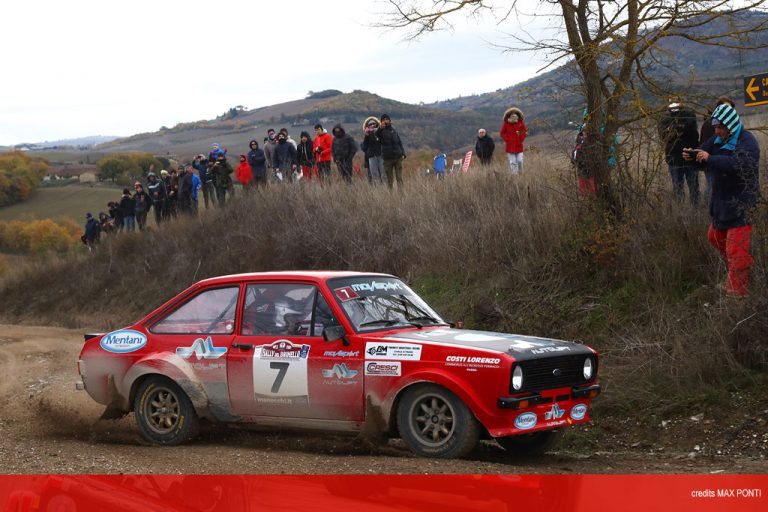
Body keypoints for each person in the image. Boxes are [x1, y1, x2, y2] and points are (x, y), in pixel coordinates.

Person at [684, 103, 759, 298]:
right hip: (721, 205)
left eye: (719, 127)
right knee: (715, 238)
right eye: (715, 127)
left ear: (730, 125)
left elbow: (739, 164)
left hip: (742, 205)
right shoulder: (717, 140)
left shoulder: (747, 141)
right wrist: (692, 156)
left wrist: (710, 159)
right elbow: (704, 156)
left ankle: (737, 293)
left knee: (735, 249)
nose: (716, 131)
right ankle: (741, 267)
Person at [658, 96, 700, 205]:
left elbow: (693, 132)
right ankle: (680, 210)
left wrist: (674, 129)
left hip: (689, 156)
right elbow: (663, 136)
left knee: (694, 187)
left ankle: (696, 209)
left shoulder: (689, 114)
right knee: (677, 188)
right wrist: (679, 129)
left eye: (676, 103)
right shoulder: (665, 117)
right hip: (674, 158)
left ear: (681, 103)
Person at [700, 96, 735, 203]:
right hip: (711, 164)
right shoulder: (708, 125)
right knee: (711, 187)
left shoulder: (733, 128)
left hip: (722, 163)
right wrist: (707, 159)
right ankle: (707, 205)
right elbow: (705, 145)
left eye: (730, 108)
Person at [377, 114, 406, 189]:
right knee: (390, 180)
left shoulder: (394, 130)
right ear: (381, 122)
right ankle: (390, 194)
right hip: (387, 159)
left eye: (387, 119)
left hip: (398, 157)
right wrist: (380, 128)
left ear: (390, 120)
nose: (385, 121)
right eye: (383, 120)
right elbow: (376, 135)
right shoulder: (380, 131)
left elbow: (399, 142)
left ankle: (401, 194)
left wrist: (403, 153)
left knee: (399, 178)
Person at [500, 107, 527, 173]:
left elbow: (524, 131)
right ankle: (515, 175)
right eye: (512, 115)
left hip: (519, 145)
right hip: (510, 146)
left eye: (515, 115)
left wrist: (521, 139)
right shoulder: (506, 123)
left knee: (520, 161)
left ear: (517, 115)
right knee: (513, 162)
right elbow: (502, 133)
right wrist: (507, 140)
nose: (513, 116)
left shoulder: (520, 122)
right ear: (509, 116)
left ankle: (520, 173)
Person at [361, 117, 384, 184]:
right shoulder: (367, 135)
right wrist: (366, 136)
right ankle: (376, 187)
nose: (372, 126)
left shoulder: (381, 133)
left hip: (381, 155)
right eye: (370, 125)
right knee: (374, 174)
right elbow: (364, 147)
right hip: (371, 156)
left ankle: (385, 187)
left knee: (383, 173)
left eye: (374, 125)